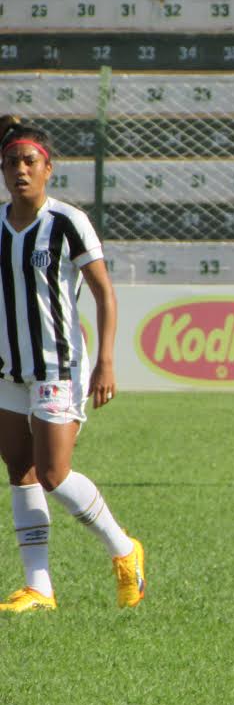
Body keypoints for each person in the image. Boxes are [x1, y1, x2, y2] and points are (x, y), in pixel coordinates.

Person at [0, 117, 145, 613]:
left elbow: (104, 293)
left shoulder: (67, 222)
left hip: (59, 367)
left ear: (47, 169)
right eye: (11, 162)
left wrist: (105, 362)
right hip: (7, 371)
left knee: (54, 473)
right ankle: (39, 587)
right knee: (20, 470)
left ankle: (124, 551)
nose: (20, 170)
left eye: (29, 162)